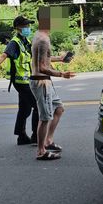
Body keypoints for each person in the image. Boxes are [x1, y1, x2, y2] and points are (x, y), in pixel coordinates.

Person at [0, 16, 39, 145]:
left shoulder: (25, 41)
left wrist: (59, 59)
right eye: (25, 26)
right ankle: (37, 136)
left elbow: (35, 57)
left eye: (28, 25)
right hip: (21, 82)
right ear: (18, 28)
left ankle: (21, 136)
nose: (28, 28)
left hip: (27, 80)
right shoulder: (14, 43)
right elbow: (4, 55)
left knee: (25, 109)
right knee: (38, 106)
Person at [29, 31, 75, 160]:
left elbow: (42, 59)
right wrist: (61, 74)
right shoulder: (43, 40)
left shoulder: (40, 36)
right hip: (41, 82)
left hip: (45, 81)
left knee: (59, 109)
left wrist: (60, 59)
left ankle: (48, 141)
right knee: (45, 117)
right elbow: (42, 67)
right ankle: (41, 151)